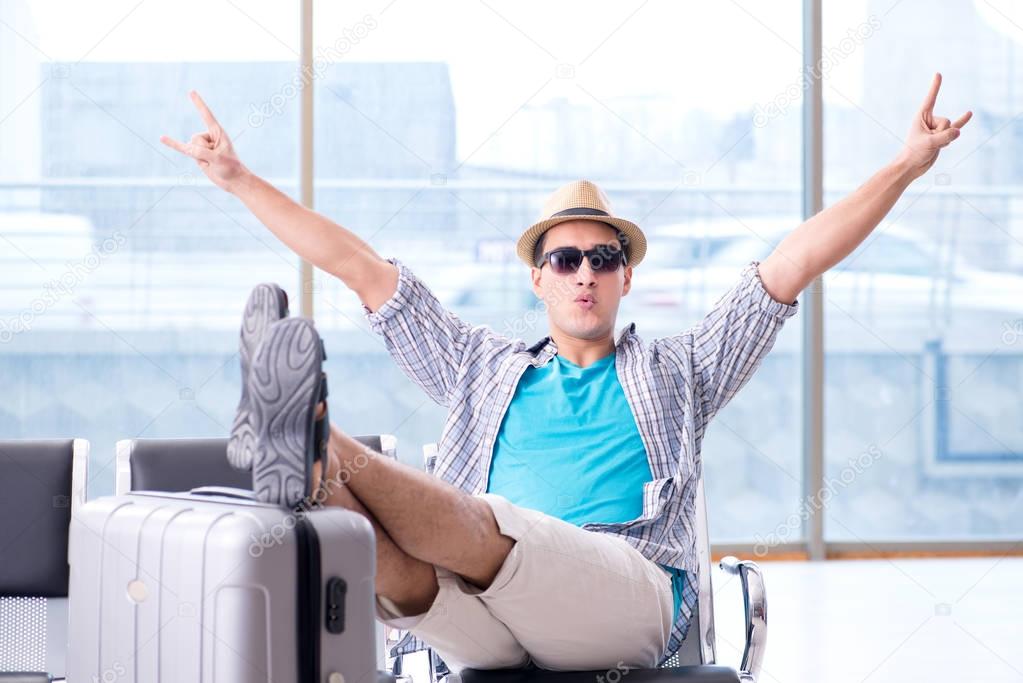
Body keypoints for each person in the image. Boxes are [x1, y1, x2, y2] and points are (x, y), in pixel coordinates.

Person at [160, 73, 970, 672]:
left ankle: (313, 433)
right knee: (390, 566)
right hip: (480, 612)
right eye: (566, 257)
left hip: (621, 589)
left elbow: (793, 260)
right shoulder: (479, 364)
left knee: (491, 524)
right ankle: (301, 449)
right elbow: (360, 266)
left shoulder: (678, 370)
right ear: (539, 279)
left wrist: (904, 164)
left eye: (603, 257)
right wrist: (237, 179)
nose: (585, 271)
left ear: (624, 278)